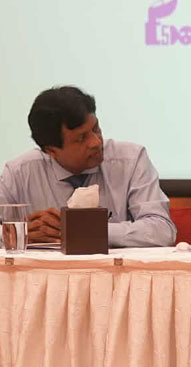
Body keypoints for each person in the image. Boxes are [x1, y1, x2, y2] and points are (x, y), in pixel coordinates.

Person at [0, 85, 175, 247]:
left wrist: (83, 231)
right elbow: (6, 232)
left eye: (96, 128)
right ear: (51, 150)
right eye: (81, 138)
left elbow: (162, 231)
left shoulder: (131, 160)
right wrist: (14, 234)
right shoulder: (18, 173)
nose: (96, 142)